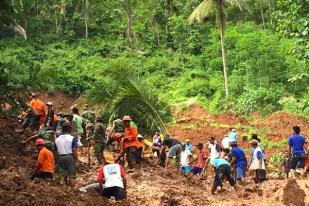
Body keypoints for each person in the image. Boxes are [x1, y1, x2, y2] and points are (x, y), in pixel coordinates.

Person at [55, 122, 78, 187]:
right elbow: (74, 149)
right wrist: (76, 159)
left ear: (62, 129)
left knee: (62, 175)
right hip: (69, 157)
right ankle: (73, 192)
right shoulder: (72, 138)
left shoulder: (57, 139)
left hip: (60, 157)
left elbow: (55, 151)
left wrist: (56, 160)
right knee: (71, 176)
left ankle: (64, 191)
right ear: (70, 129)